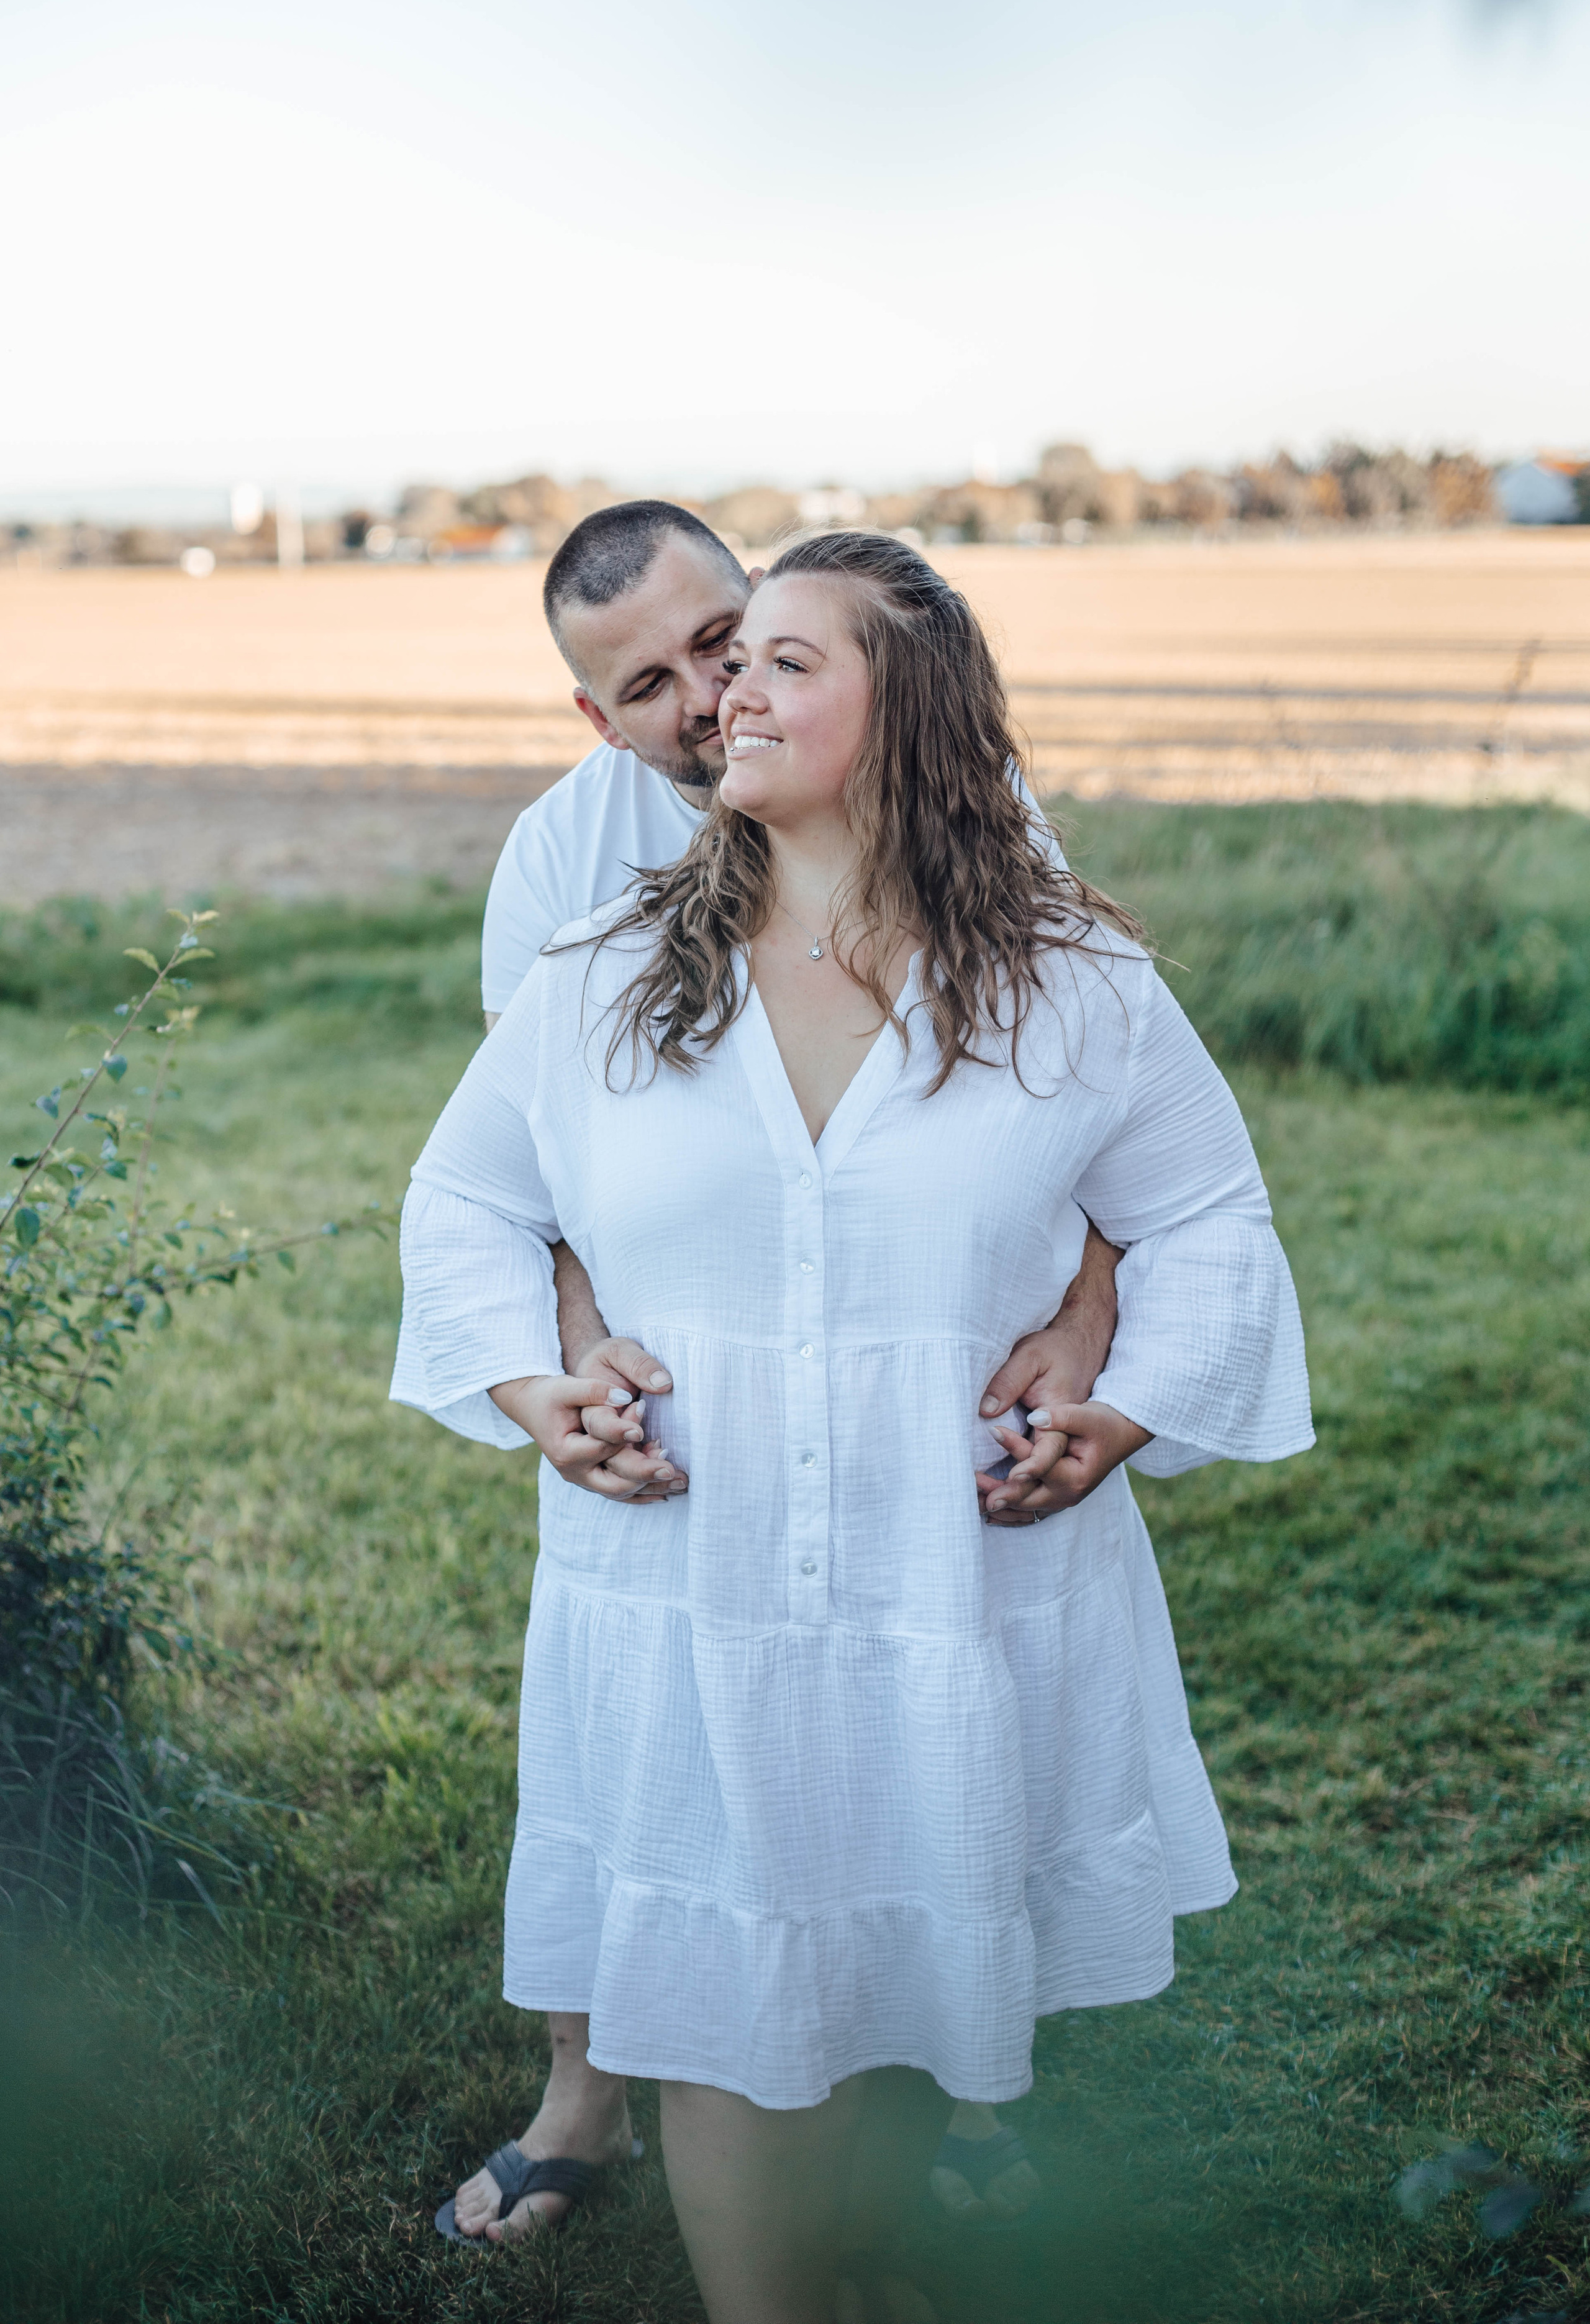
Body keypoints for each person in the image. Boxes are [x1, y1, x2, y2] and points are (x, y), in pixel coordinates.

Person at [394, 530, 1312, 2320]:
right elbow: (475, 1204)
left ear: (916, 715)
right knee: (721, 1981)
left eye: (772, 661)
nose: (723, 697)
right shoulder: (596, 965)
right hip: (683, 1576)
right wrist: (537, 1379)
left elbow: (1207, 1216)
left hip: (948, 1584)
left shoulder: (1071, 980)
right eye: (691, 682)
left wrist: (1116, 1398)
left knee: (909, 1957)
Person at [457, 501, 1120, 2236]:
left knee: (934, 1690)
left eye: (722, 642)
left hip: (922, 1361)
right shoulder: (560, 862)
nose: (701, 696)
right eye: (646, 683)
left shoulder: (958, 805)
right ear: (595, 721)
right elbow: (540, 1165)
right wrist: (578, 1354)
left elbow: (1099, 1105)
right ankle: (588, 2086)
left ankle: (952, 2077)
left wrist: (1091, 1315)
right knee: (646, 1727)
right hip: (689, 1378)